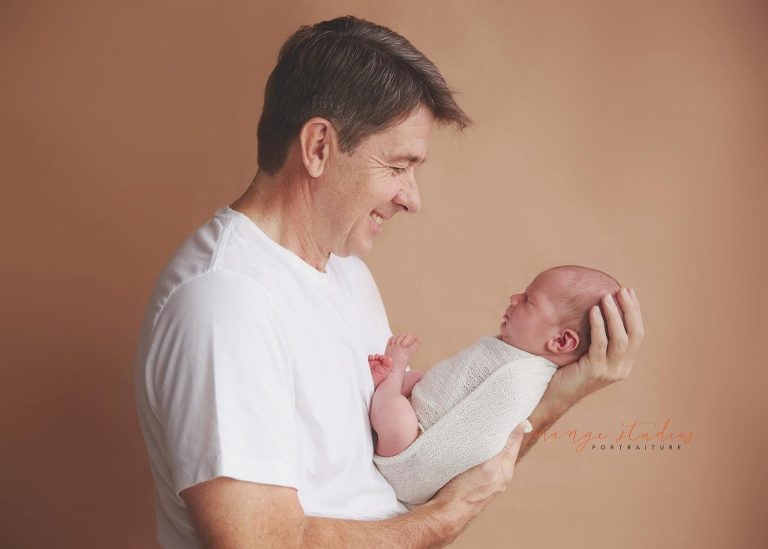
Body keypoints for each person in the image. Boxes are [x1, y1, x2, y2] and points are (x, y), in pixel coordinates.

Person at [134, 16, 644, 548]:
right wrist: (457, 509)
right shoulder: (225, 304)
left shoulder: (347, 271)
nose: (412, 198)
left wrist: (558, 393)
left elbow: (426, 471)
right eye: (398, 166)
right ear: (318, 147)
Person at [368, 266, 624, 504]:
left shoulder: (521, 380)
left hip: (412, 462)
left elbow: (479, 438)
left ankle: (392, 377)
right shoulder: (511, 351)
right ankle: (391, 388)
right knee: (417, 380)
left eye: (528, 300)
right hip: (422, 420)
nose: (514, 298)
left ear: (560, 342)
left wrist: (418, 452)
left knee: (399, 419)